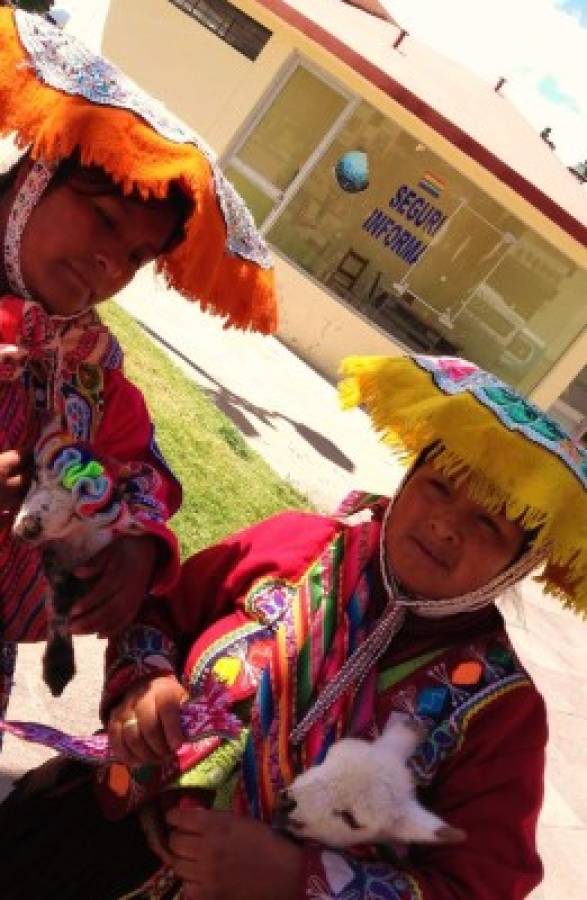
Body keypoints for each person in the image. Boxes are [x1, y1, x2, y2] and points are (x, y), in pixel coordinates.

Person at [2, 353, 585, 899]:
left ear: (523, 560)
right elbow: (160, 615)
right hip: (83, 832)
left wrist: (296, 877)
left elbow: (478, 885)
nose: (446, 524)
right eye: (438, 485)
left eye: (489, 523)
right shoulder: (298, 545)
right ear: (408, 479)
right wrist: (143, 685)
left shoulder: (501, 714)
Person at [0, 7, 276, 731]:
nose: (109, 264)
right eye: (103, 220)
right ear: (36, 176)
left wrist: (134, 553)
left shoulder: (88, 363)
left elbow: (140, 469)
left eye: (133, 256)